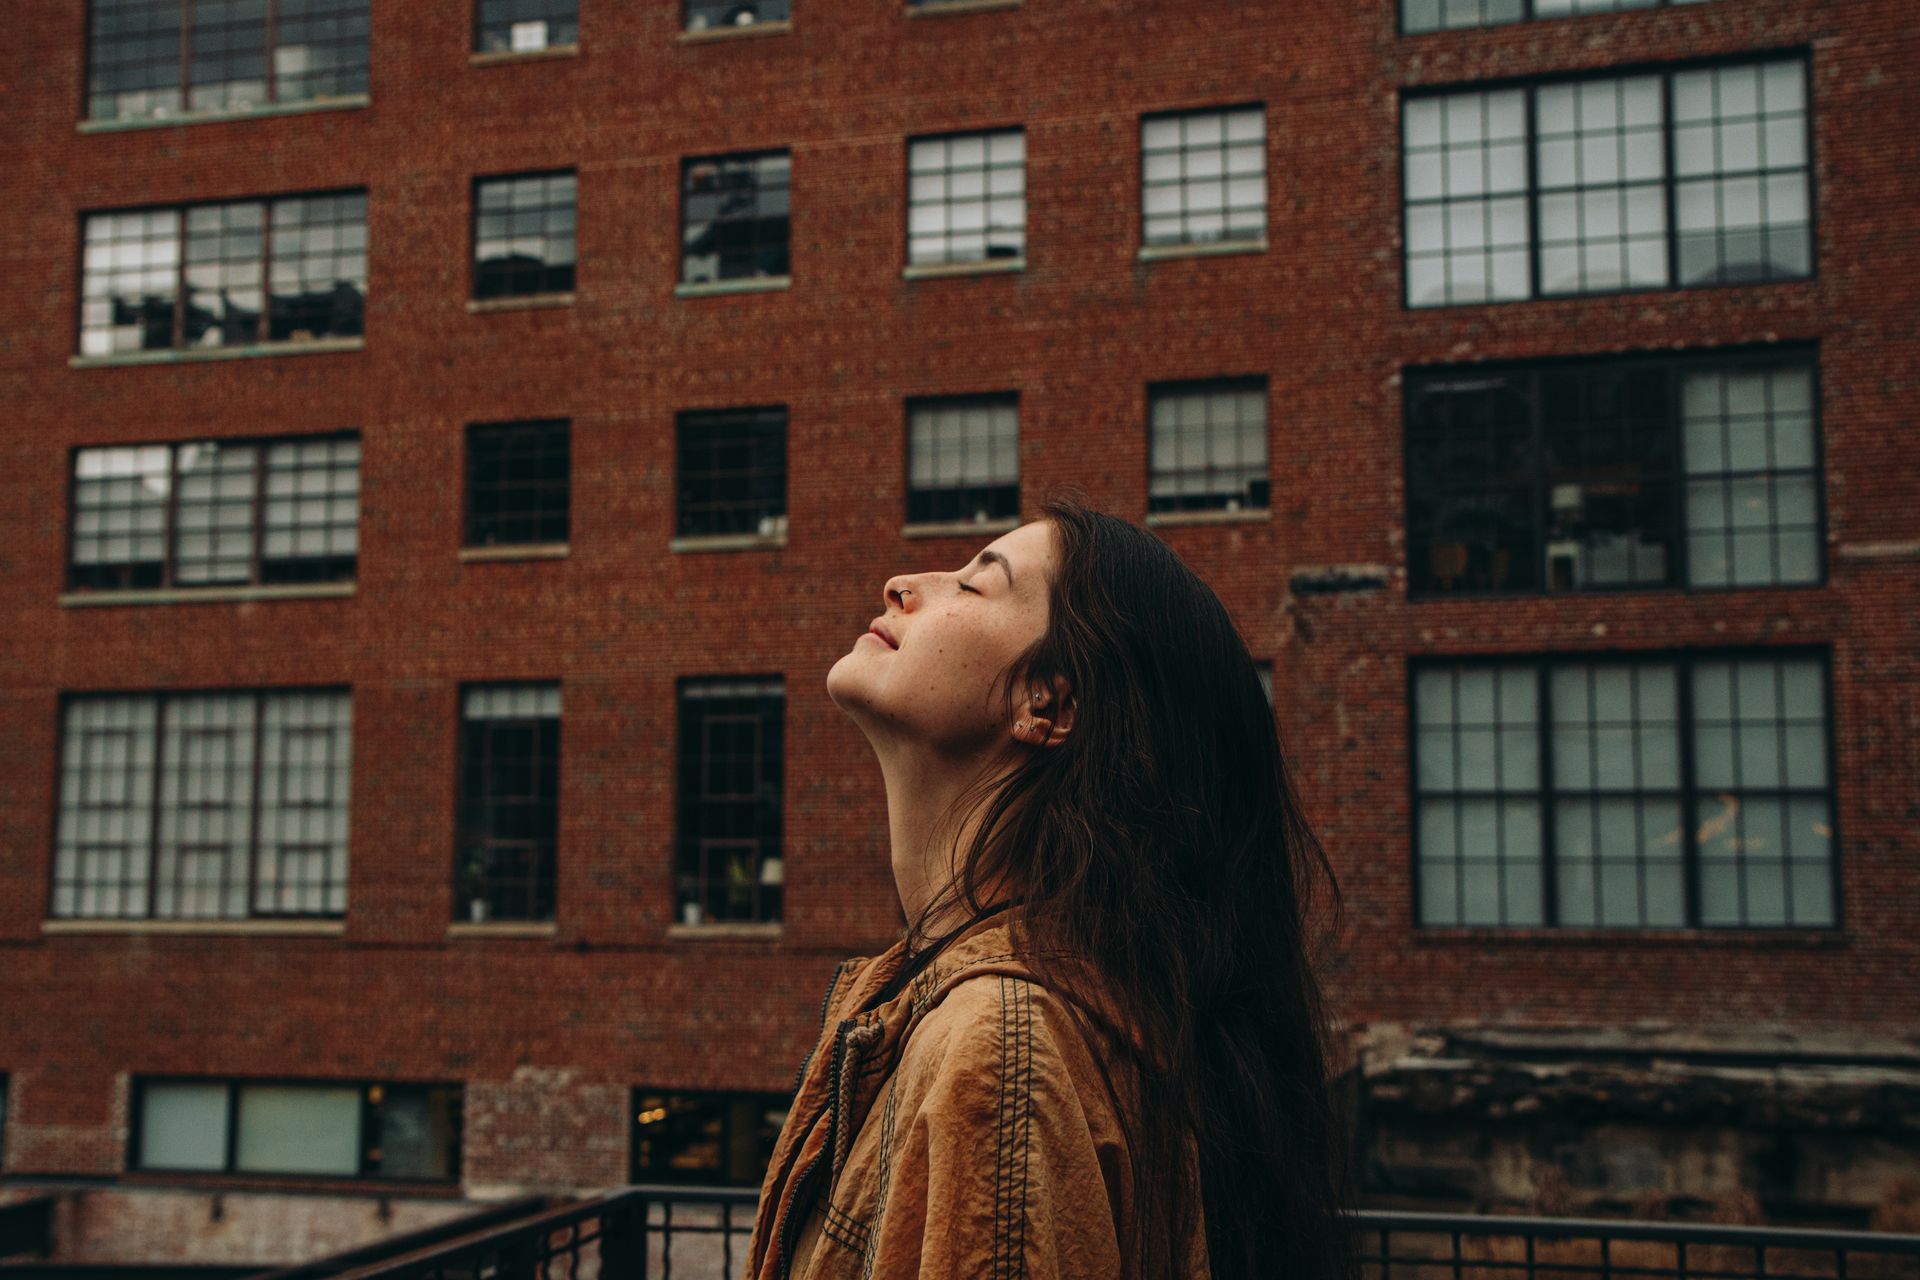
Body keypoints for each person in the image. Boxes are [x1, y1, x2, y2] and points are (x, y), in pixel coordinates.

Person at [741, 492, 1353, 1280]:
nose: (901, 584)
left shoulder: (1000, 1054)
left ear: (1047, 703)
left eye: (972, 583)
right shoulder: (985, 1013)